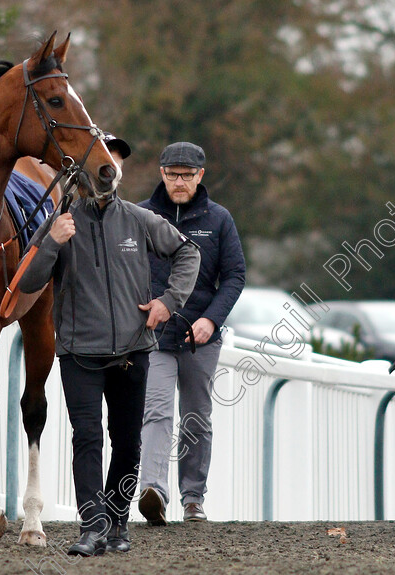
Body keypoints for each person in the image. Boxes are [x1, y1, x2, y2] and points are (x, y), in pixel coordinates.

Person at [19, 133, 200, 556]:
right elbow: (28, 282)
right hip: (79, 355)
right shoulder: (60, 223)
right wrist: (52, 243)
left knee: (126, 440)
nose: (108, 170)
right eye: (102, 162)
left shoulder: (139, 219)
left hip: (133, 353)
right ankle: (92, 526)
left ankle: (118, 522)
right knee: (86, 439)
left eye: (114, 163)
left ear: (118, 173)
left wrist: (168, 302)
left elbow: (188, 253)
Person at [137, 141, 246, 524]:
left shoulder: (219, 220)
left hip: (202, 338)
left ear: (200, 176)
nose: (179, 181)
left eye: (186, 175)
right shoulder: (141, 216)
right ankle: (152, 490)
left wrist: (212, 319)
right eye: (172, 174)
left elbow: (234, 276)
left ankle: (193, 497)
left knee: (196, 417)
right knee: (156, 410)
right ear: (161, 173)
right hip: (153, 337)